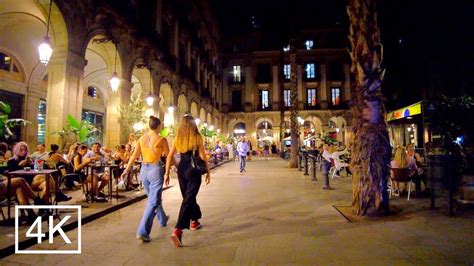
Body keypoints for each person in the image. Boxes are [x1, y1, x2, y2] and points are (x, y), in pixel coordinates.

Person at [122, 116, 170, 243]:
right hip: (155, 169)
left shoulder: (141, 139)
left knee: (153, 199)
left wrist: (126, 170)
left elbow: (134, 156)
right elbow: (169, 156)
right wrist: (172, 169)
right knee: (153, 201)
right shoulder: (162, 139)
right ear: (159, 126)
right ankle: (142, 231)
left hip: (144, 170)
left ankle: (163, 219)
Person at [165, 114, 211, 247]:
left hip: (181, 169)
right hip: (193, 171)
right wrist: (208, 171)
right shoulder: (197, 137)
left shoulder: (177, 138)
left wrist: (167, 173)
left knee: (188, 197)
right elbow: (202, 156)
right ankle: (178, 229)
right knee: (188, 199)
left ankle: (194, 220)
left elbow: (169, 157)